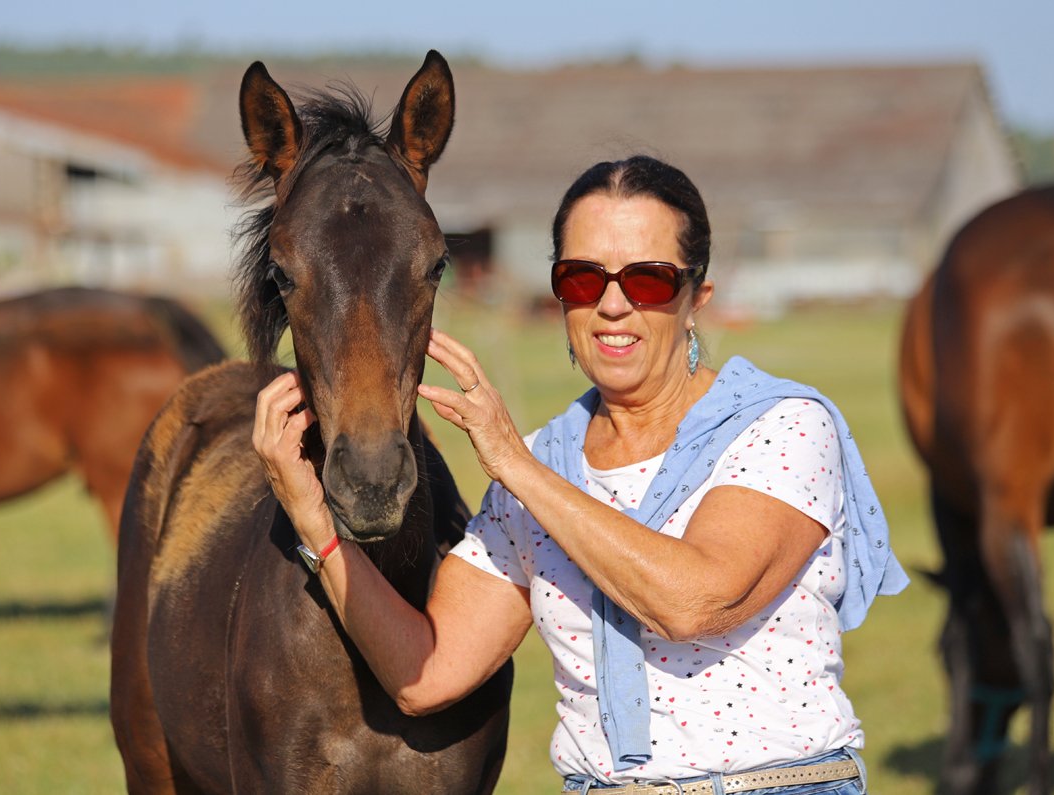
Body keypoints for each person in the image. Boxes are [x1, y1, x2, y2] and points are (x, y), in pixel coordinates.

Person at [253, 154, 908, 794]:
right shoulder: (539, 466)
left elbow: (694, 603)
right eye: (583, 278)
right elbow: (425, 675)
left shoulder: (783, 426)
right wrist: (316, 523)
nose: (612, 305)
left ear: (696, 298)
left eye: (648, 279)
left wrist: (517, 466)